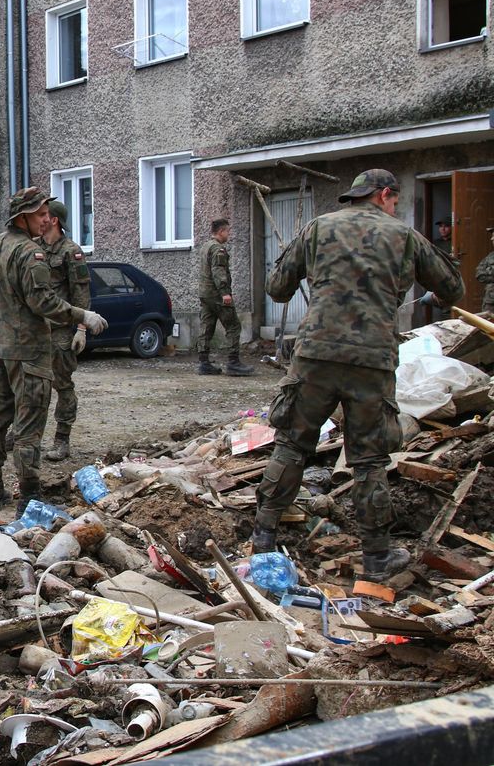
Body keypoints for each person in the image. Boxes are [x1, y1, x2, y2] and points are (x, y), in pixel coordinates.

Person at [251, 169, 463, 581]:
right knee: (369, 460)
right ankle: (378, 557)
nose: (394, 206)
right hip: (372, 360)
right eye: (395, 200)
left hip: (316, 355)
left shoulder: (318, 228)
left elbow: (277, 288)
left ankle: (263, 537)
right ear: (385, 195)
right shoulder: (403, 236)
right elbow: (452, 289)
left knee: (293, 444)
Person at [0, 187, 107, 515]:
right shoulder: (30, 253)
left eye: (47, 213)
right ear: (22, 217)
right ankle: (28, 497)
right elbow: (43, 302)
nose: (46, 219)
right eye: (39, 214)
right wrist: (83, 317)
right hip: (29, 351)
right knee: (28, 425)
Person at [38, 200, 92, 461]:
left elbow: (80, 292)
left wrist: (81, 329)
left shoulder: (71, 251)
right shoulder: (33, 248)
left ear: (54, 220)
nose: (40, 218)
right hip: (36, 329)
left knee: (62, 385)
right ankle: (22, 433)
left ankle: (62, 439)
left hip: (60, 331)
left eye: (44, 215)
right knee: (30, 384)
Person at [196, 218, 253, 377]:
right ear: (221, 231)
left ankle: (203, 363)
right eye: (228, 231)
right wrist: (225, 293)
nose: (229, 234)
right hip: (216, 294)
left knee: (206, 326)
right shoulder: (218, 249)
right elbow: (218, 271)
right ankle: (233, 362)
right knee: (233, 326)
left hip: (205, 294)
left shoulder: (205, 247)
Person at [476, 227, 494, 313]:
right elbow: (479, 275)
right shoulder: (490, 256)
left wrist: (490, 272)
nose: (492, 238)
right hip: (491, 301)